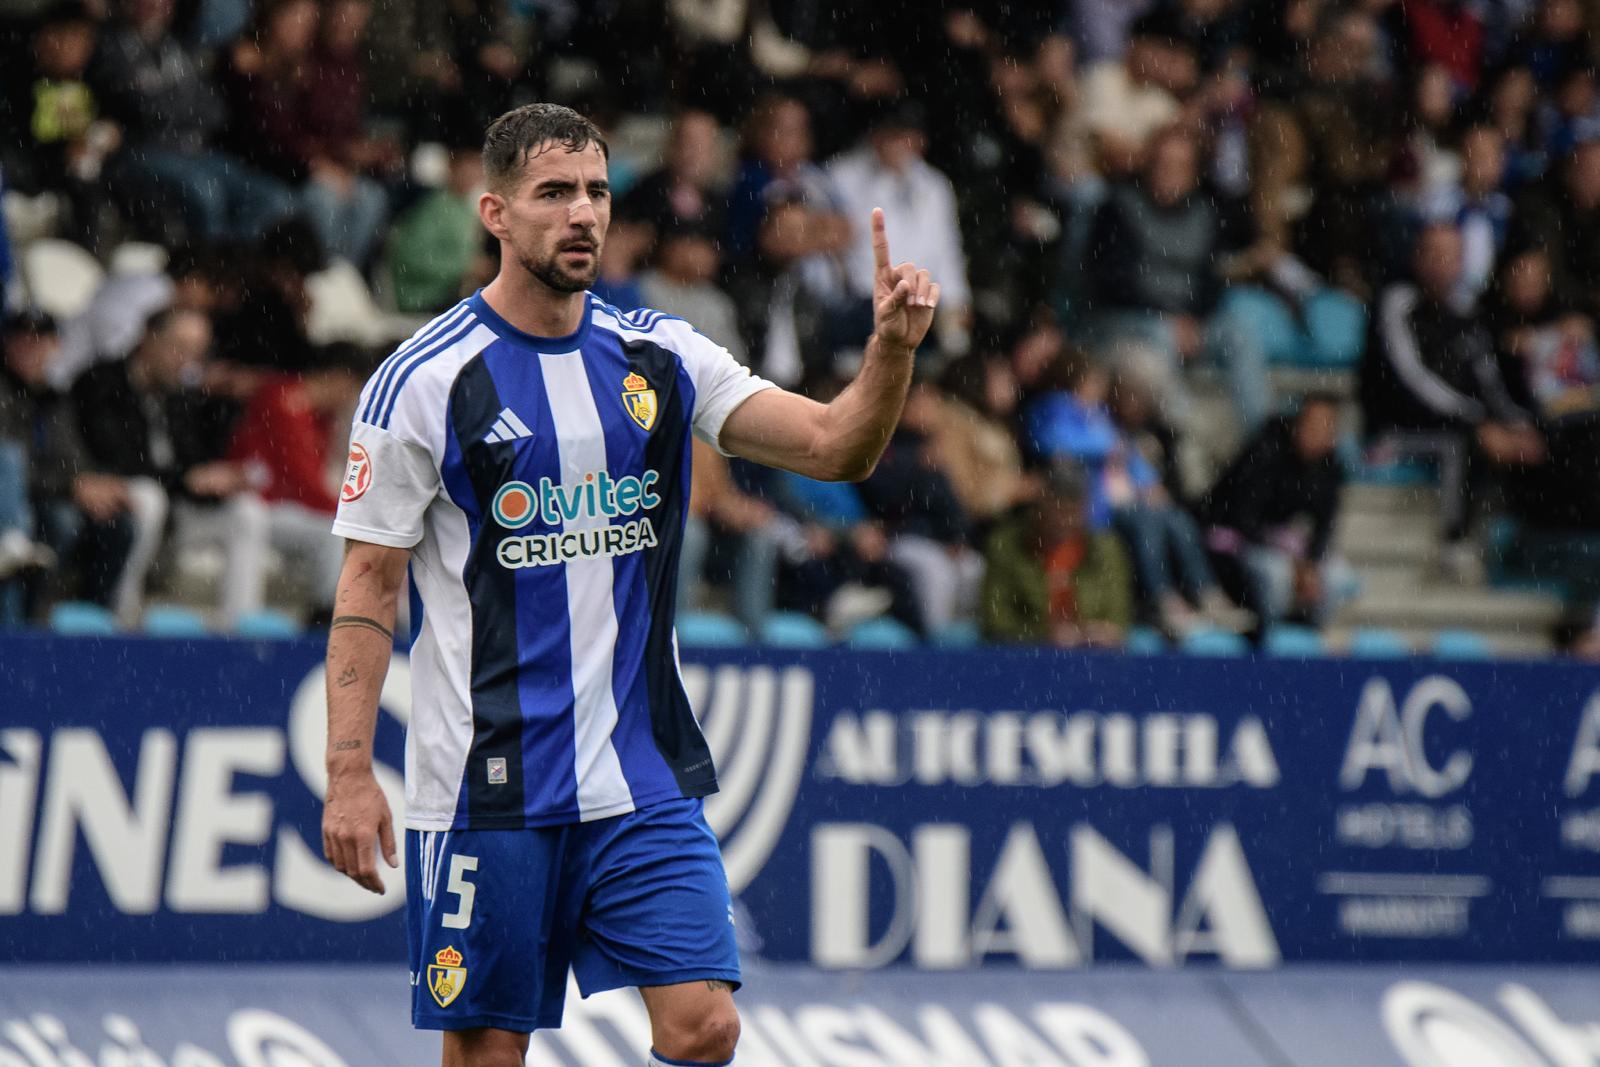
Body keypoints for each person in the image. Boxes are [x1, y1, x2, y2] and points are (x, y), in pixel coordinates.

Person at [320, 103, 940, 1067]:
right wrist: (351, 774)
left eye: (598, 192)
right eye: (554, 194)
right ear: (494, 213)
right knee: (487, 1052)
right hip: (493, 789)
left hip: (639, 776)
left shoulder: (661, 354)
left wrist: (892, 350)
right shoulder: (426, 381)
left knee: (706, 1027)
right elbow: (368, 585)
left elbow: (834, 446)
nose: (583, 215)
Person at [1198, 393, 1350, 631]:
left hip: (1277, 542)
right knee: (1276, 573)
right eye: (1312, 424)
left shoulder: (1330, 465)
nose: (1318, 432)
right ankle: (1271, 638)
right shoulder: (1266, 449)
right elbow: (1242, 518)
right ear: (1297, 423)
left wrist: (1309, 564)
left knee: (1335, 576)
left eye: (1327, 427)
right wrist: (1293, 563)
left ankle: (1311, 637)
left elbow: (1324, 525)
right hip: (1230, 540)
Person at [981, 462, 1134, 647]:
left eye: (1073, 513)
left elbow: (1118, 613)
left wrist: (1101, 631)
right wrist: (1045, 635)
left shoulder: (1105, 549)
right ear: (1041, 507)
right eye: (1059, 511)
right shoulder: (1007, 545)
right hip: (1027, 655)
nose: (1065, 521)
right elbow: (996, 621)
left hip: (1094, 654)